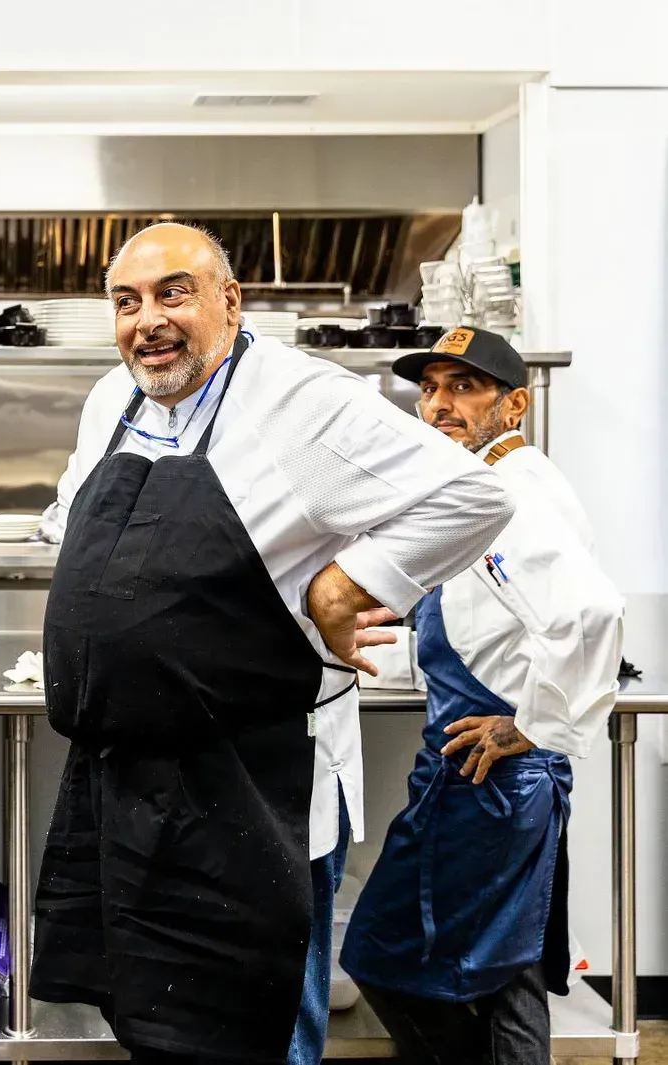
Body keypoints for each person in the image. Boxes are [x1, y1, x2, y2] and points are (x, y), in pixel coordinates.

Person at [30, 223, 515, 1064]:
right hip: (126, 780)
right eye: (127, 301)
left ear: (229, 299)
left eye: (173, 291)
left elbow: (470, 498)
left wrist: (349, 582)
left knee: (257, 1024)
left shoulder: (304, 400)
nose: (147, 319)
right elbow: (77, 516)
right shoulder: (112, 396)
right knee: (157, 1017)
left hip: (256, 787)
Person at [340, 329, 624, 1063]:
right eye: (429, 387)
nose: (438, 404)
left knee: (381, 955)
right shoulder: (489, 481)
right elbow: (492, 624)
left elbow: (589, 615)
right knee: (509, 974)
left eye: (463, 388)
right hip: (497, 780)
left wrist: (528, 726)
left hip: (487, 781)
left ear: (515, 404)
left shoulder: (506, 494)